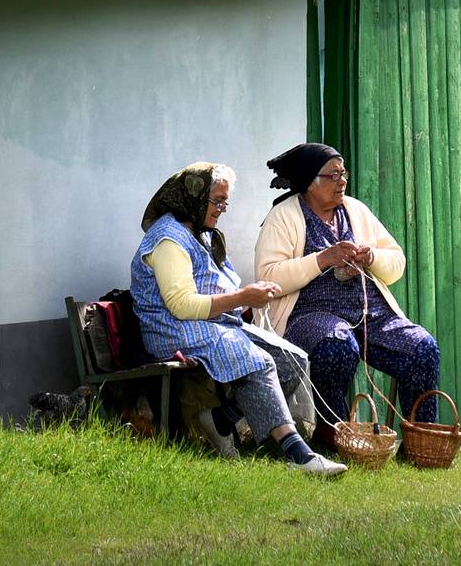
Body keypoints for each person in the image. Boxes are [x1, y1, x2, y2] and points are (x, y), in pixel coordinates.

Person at [130, 161, 346, 477]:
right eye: (216, 201)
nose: (222, 208)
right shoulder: (168, 240)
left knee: (291, 358)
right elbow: (181, 305)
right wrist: (245, 298)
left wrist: (250, 294)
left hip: (210, 323)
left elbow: (215, 286)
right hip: (171, 328)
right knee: (255, 360)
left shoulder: (202, 234)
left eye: (224, 201)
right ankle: (299, 456)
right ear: (193, 196)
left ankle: (221, 420)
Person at [255, 143, 442, 434]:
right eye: (333, 175)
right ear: (310, 182)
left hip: (369, 312)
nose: (342, 181)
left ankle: (423, 439)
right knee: (337, 347)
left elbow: (396, 261)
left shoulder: (355, 210)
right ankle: (338, 435)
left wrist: (371, 257)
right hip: (309, 315)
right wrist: (321, 259)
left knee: (421, 348)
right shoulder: (283, 217)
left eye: (344, 174)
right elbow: (268, 276)